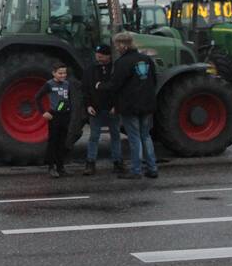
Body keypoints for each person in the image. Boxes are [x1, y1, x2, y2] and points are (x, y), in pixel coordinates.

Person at [98, 31, 158, 179]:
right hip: (147, 103)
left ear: (123, 45)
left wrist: (100, 85)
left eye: (117, 45)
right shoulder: (147, 60)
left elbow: (115, 85)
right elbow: (154, 80)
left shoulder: (122, 63)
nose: (116, 48)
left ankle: (136, 170)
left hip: (130, 105)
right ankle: (152, 168)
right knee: (146, 136)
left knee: (134, 138)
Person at [82, 44, 124, 175]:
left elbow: (119, 89)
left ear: (108, 56)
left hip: (112, 108)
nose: (98, 58)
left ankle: (117, 162)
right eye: (97, 56)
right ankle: (90, 163)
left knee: (115, 135)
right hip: (96, 108)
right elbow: (86, 89)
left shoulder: (115, 70)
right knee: (94, 136)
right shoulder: (90, 70)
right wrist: (88, 105)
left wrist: (116, 106)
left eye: (101, 56)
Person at [34, 62, 72, 178]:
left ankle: (61, 167)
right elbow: (37, 97)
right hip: (54, 115)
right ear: (54, 73)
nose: (62, 75)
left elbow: (68, 98)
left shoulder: (67, 84)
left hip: (65, 115)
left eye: (64, 73)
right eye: (60, 73)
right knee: (53, 142)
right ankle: (51, 167)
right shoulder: (49, 84)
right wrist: (43, 112)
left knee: (62, 143)